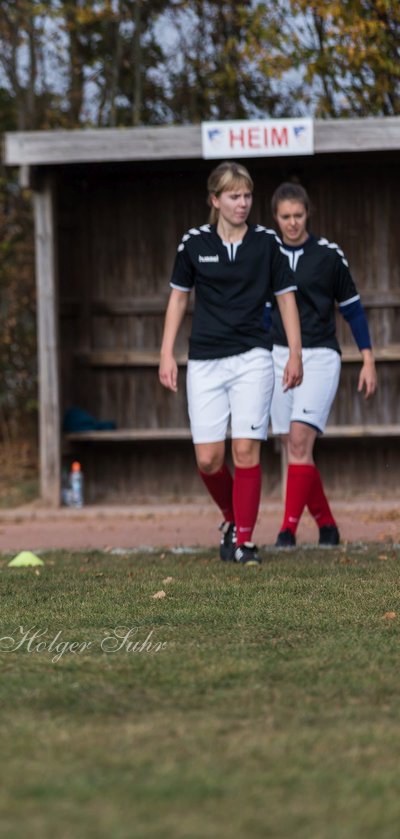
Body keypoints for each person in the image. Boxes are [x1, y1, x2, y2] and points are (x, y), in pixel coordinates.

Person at [157, 161, 303, 566]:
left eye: (247, 196)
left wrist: (294, 351)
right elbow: (178, 298)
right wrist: (166, 352)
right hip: (204, 360)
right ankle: (230, 518)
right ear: (215, 199)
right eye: (234, 196)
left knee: (244, 450)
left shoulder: (267, 243)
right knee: (208, 459)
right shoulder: (193, 243)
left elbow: (287, 298)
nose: (242, 203)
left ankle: (243, 541)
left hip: (253, 357)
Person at [267, 182, 377, 548]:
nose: (293, 223)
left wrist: (367, 358)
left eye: (298, 215)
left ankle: (287, 531)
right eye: (286, 216)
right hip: (276, 356)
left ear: (308, 214)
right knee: (293, 446)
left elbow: (353, 309)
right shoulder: (265, 253)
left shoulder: (329, 255)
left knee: (299, 440)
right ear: (275, 217)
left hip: (320, 355)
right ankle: (328, 526)